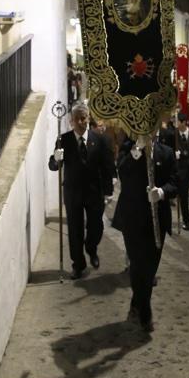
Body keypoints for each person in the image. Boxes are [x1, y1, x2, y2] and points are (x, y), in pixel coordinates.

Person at [112, 133, 178, 331]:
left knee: (150, 266)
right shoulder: (128, 148)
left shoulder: (165, 152)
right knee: (137, 263)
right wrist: (137, 150)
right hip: (132, 216)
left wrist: (162, 192)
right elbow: (122, 171)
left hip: (157, 219)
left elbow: (175, 182)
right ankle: (145, 310)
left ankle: (136, 303)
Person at [48, 102, 115, 279]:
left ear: (88, 119)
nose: (80, 122)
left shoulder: (100, 139)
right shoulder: (64, 140)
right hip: (73, 192)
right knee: (74, 230)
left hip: (95, 191)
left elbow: (107, 166)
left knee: (96, 226)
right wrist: (56, 159)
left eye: (83, 118)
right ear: (71, 121)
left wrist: (109, 191)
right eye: (77, 119)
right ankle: (78, 264)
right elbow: (54, 165)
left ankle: (91, 248)